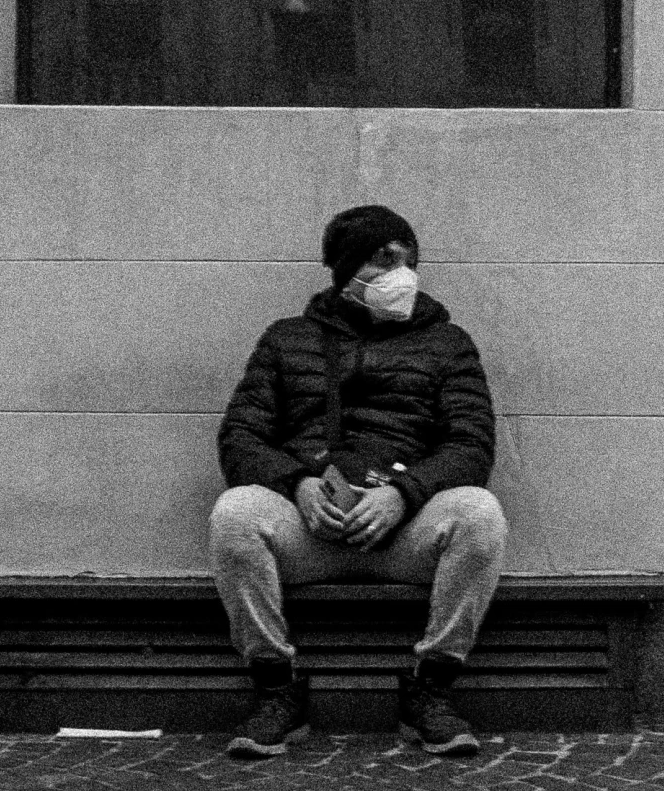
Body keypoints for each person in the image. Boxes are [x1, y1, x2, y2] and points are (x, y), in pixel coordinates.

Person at [211, 204, 508, 758]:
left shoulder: (449, 344)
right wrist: (297, 484)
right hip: (307, 531)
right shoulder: (286, 340)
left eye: (407, 260)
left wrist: (403, 495)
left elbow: (471, 446)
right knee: (235, 513)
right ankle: (277, 691)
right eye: (382, 261)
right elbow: (240, 438)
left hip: (406, 533)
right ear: (347, 271)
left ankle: (430, 692)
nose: (401, 274)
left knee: (479, 512)